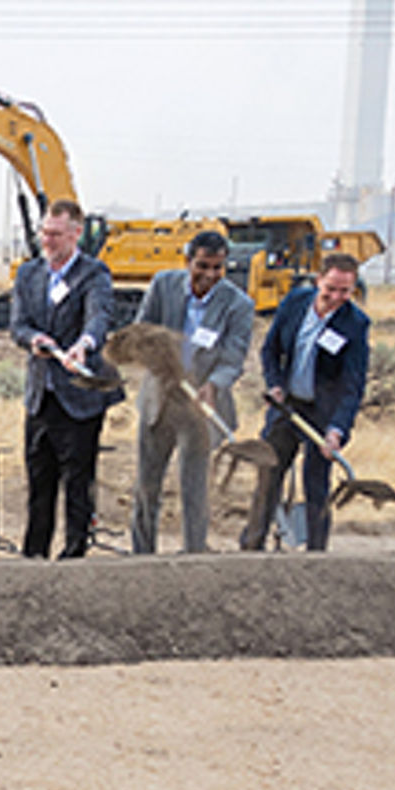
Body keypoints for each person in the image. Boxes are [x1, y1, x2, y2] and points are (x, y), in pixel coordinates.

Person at [8, 200, 125, 559]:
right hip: (41, 395)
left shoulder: (94, 274)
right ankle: (34, 555)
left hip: (80, 397)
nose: (47, 240)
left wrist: (83, 346)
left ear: (76, 234)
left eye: (56, 234)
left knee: (77, 482)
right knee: (39, 483)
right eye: (44, 233)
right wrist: (34, 340)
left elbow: (99, 317)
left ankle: (74, 556)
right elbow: (18, 325)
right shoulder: (29, 274)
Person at [127, 230, 255, 554]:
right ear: (187, 261)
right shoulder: (163, 285)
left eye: (217, 267)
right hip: (159, 400)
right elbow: (142, 329)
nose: (210, 275)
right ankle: (141, 557)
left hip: (201, 409)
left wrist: (214, 385)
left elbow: (233, 357)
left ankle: (194, 556)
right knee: (147, 486)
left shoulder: (238, 305)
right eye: (202, 266)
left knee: (194, 489)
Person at [239, 254, 370, 553]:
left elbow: (352, 385)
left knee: (317, 485)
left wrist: (337, 430)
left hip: (323, 414)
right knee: (268, 475)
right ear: (318, 281)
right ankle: (251, 548)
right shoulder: (294, 303)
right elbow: (270, 350)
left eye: (345, 291)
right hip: (287, 408)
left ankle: (315, 556)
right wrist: (275, 385)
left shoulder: (356, 324)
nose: (337, 297)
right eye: (331, 289)